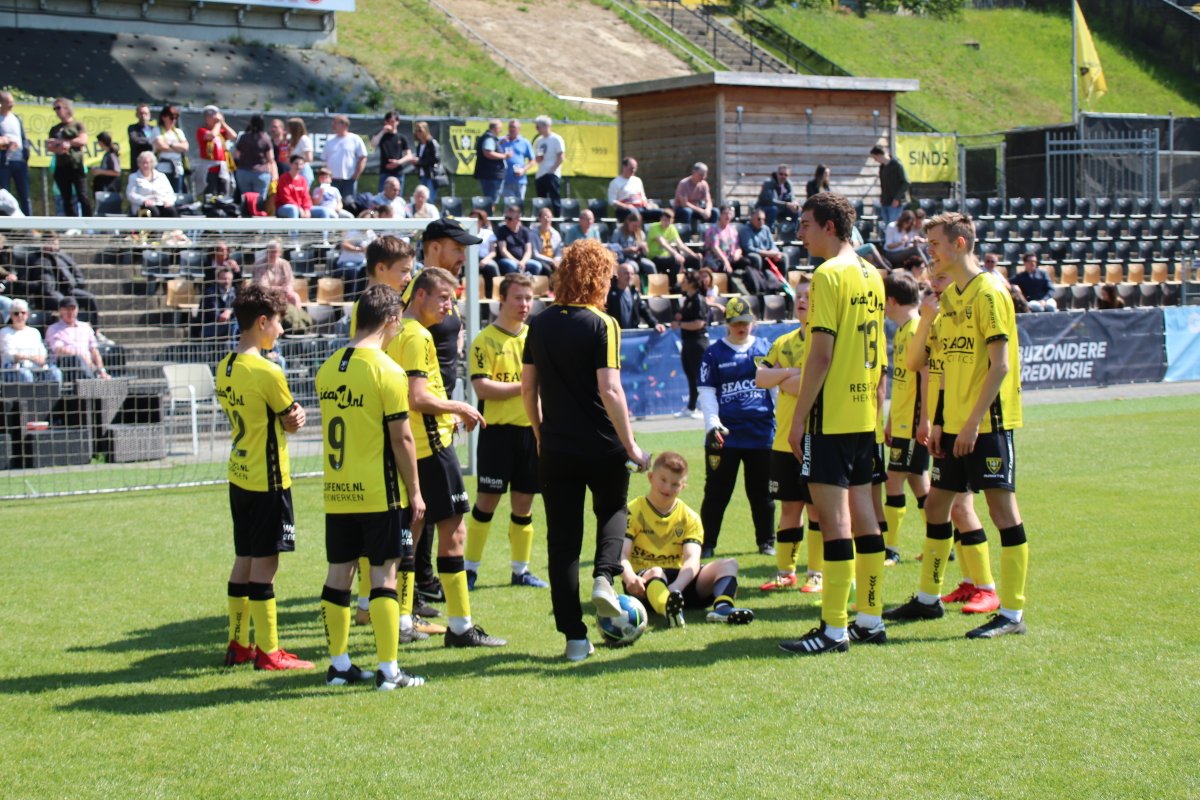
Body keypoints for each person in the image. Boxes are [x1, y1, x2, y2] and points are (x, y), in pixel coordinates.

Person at [883, 212, 1027, 639]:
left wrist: (972, 424)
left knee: (1002, 513)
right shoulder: (948, 302)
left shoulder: (988, 293)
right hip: (955, 426)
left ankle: (1012, 613)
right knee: (936, 505)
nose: (930, 254)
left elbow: (999, 367)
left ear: (960, 245)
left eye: (936, 247)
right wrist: (941, 422)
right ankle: (928, 598)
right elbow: (921, 365)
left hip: (988, 425)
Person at [522, 238, 650, 662]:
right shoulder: (602, 324)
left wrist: (541, 433)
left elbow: (528, 386)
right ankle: (603, 578)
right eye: (609, 278)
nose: (611, 287)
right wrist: (631, 445)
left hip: (556, 445)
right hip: (602, 442)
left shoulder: (538, 323)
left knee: (562, 543)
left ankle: (575, 639)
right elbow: (610, 388)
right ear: (598, 278)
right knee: (614, 511)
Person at [779, 191, 887, 656]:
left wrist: (799, 418)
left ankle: (833, 628)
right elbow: (880, 354)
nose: (800, 233)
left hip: (832, 416)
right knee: (866, 518)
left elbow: (820, 355)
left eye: (805, 224)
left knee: (835, 522)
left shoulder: (828, 275)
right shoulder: (872, 274)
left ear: (828, 226)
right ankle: (871, 617)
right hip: (863, 415)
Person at [316, 284, 426, 690]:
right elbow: (402, 439)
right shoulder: (387, 370)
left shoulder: (327, 368)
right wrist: (415, 491)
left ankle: (340, 664)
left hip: (337, 491)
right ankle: (388, 670)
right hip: (379, 493)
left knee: (338, 574)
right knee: (384, 575)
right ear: (391, 319)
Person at [388, 267, 504, 648]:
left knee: (411, 533)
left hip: (405, 446)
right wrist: (461, 407)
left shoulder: (392, 331)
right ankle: (460, 627)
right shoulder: (418, 335)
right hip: (432, 446)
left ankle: (403, 620)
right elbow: (417, 398)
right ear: (418, 295)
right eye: (443, 297)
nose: (448, 306)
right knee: (454, 532)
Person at [215, 284, 313, 672]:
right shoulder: (268, 371)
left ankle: (239, 643)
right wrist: (296, 418)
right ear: (262, 322)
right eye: (279, 323)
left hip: (239, 472)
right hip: (269, 479)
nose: (282, 331)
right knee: (266, 564)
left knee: (243, 557)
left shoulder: (224, 366)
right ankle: (270, 652)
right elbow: (290, 419)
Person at [905, 269, 1000, 614]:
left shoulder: (972, 311)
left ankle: (986, 587)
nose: (934, 285)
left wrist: (942, 420)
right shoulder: (939, 321)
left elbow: (984, 369)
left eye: (940, 279)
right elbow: (920, 367)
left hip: (971, 424)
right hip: (946, 423)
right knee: (940, 507)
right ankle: (963, 586)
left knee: (961, 507)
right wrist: (933, 420)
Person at [463, 273, 549, 591]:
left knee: (524, 504)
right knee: (487, 501)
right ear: (502, 299)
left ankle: (521, 571)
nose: (525, 304)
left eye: (529, 298)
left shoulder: (536, 336)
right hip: (496, 432)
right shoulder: (484, 340)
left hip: (530, 431)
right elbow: (483, 388)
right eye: (518, 298)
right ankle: (469, 569)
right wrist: (525, 385)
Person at [620, 452, 754, 627]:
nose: (668, 488)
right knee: (656, 571)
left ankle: (722, 609)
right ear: (651, 477)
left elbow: (692, 560)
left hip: (680, 585)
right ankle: (669, 610)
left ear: (683, 486)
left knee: (729, 564)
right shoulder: (633, 511)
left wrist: (677, 587)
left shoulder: (690, 517)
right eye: (663, 480)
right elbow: (621, 554)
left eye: (675, 483)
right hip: (643, 586)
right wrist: (629, 578)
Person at [755, 274, 823, 593]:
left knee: (816, 509)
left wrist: (783, 380)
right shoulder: (783, 342)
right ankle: (786, 572)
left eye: (809, 296)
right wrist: (789, 374)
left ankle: (817, 574)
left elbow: (811, 385)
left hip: (815, 438)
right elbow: (760, 377)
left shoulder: (825, 342)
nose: (802, 300)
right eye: (799, 295)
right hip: (782, 440)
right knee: (789, 508)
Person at [697, 296, 776, 557]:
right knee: (717, 493)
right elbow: (707, 392)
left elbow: (775, 388)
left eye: (745, 322)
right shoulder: (714, 352)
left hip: (761, 433)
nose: (741, 327)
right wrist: (713, 424)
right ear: (727, 323)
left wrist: (780, 420)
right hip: (725, 436)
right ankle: (707, 545)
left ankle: (766, 542)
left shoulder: (765, 348)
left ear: (752, 322)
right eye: (735, 323)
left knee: (762, 493)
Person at [881, 271, 930, 567]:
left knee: (893, 481)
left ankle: (891, 549)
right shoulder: (902, 331)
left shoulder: (915, 331)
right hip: (900, 421)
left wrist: (922, 421)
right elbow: (903, 381)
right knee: (918, 483)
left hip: (912, 424)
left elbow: (926, 378)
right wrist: (890, 420)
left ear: (891, 300)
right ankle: (942, 540)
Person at [33, 233, 100, 323]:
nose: (52, 245)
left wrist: (76, 284)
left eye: (55, 243)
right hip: (52, 293)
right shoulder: (39, 259)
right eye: (49, 242)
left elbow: (77, 273)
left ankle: (95, 330)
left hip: (69, 290)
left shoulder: (63, 256)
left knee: (90, 298)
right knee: (65, 302)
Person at [672, 271, 708, 420]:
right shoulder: (688, 299)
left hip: (697, 342)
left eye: (685, 280)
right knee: (690, 374)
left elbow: (699, 323)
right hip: (687, 341)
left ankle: (703, 407)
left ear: (692, 282)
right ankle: (691, 407)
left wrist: (680, 324)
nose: (682, 283)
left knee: (699, 376)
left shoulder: (699, 299)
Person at [47, 97, 92, 216]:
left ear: (67, 108)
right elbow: (50, 146)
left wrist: (67, 143)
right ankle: (72, 224)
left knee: (83, 195)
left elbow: (83, 140)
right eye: (54, 108)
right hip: (61, 166)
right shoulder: (55, 129)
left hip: (76, 165)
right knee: (66, 198)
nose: (56, 111)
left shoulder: (77, 125)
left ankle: (89, 223)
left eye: (58, 107)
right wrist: (58, 146)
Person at [46, 296, 109, 379]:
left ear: (77, 310)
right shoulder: (54, 329)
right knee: (76, 359)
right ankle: (92, 381)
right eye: (67, 309)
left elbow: (94, 351)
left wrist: (102, 370)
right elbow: (59, 350)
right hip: (65, 364)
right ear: (60, 311)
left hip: (88, 364)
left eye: (73, 309)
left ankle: (96, 377)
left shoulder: (85, 327)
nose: (70, 312)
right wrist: (81, 356)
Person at [1, 299, 62, 383]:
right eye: (16, 313)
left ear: (27, 314)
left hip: (36, 368)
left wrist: (39, 359)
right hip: (13, 370)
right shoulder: (4, 332)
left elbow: (42, 354)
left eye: (23, 313)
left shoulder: (34, 332)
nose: (20, 316)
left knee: (55, 373)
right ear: (11, 315)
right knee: (26, 375)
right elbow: (11, 355)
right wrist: (32, 357)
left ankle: (54, 396)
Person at [738, 209, 789, 292]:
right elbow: (749, 248)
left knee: (783, 257)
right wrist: (769, 254)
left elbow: (772, 245)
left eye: (763, 219)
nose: (761, 221)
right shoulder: (745, 229)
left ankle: (782, 284)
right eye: (759, 219)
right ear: (752, 218)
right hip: (754, 257)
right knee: (756, 257)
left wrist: (776, 253)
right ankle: (760, 286)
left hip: (768, 256)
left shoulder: (766, 229)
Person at [606, 261, 663, 332]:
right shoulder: (609, 293)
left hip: (631, 335)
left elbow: (644, 310)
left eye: (632, 274)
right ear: (618, 275)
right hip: (615, 333)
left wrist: (655, 324)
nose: (629, 276)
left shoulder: (634, 292)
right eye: (626, 273)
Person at [646, 207, 698, 286]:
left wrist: (694, 254)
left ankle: (696, 285)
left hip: (667, 257)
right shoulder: (654, 227)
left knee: (695, 259)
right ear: (661, 219)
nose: (666, 222)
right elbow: (663, 243)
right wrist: (676, 254)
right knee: (676, 260)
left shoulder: (672, 228)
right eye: (664, 220)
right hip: (655, 257)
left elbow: (680, 245)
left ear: (672, 220)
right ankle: (672, 285)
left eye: (668, 220)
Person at [0, 91, 32, 216]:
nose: (11, 104)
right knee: (4, 196)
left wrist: (25, 154)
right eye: (8, 102)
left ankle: (29, 226)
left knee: (24, 195)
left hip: (19, 162)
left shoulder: (16, 118)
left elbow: (23, 138)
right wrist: (5, 142)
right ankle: (5, 228)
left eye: (12, 101)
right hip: (4, 163)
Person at [322, 115, 368, 200]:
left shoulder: (355, 139)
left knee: (348, 203)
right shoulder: (329, 140)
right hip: (332, 180)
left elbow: (363, 157)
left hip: (349, 180)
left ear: (345, 125)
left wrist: (356, 175)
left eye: (336, 123)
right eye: (333, 123)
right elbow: (324, 160)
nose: (333, 125)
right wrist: (326, 176)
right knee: (332, 202)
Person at [196, 105, 237, 195]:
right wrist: (218, 123)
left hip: (221, 168)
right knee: (210, 193)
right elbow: (212, 135)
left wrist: (223, 123)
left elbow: (233, 136)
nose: (213, 118)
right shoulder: (202, 130)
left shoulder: (220, 132)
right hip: (209, 169)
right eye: (210, 116)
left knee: (223, 192)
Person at [234, 114, 276, 202]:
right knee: (260, 200)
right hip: (261, 173)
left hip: (243, 172)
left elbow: (237, 156)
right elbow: (271, 159)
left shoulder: (243, 138)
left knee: (246, 199)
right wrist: (273, 174)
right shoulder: (265, 139)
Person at [371, 111, 414, 192]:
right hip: (385, 172)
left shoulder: (402, 138)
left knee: (397, 196)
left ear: (397, 122)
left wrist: (398, 162)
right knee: (382, 195)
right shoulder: (381, 135)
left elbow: (409, 155)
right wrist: (383, 131)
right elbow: (373, 144)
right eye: (388, 121)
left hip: (398, 172)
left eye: (393, 121)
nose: (391, 124)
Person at [126, 151, 178, 217]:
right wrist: (144, 200)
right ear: (139, 164)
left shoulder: (161, 176)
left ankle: (174, 227)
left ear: (152, 163)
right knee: (153, 211)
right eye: (143, 163)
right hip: (143, 205)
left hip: (161, 203)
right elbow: (131, 194)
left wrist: (169, 201)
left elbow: (170, 193)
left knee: (171, 211)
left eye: (147, 163)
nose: (145, 165)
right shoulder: (133, 177)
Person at [607, 156, 659, 222]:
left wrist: (647, 204)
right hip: (625, 210)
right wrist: (625, 206)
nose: (633, 170)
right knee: (636, 213)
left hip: (641, 208)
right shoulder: (615, 182)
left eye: (635, 168)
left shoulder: (638, 180)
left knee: (660, 213)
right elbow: (611, 201)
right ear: (624, 167)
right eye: (631, 168)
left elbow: (643, 196)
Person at [610, 211, 655, 285]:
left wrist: (644, 248)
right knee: (634, 267)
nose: (636, 228)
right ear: (628, 222)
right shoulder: (618, 232)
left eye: (638, 226)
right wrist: (627, 250)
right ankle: (632, 289)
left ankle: (653, 288)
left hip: (638, 258)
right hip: (623, 258)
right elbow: (612, 250)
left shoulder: (640, 233)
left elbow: (646, 253)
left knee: (651, 266)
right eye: (634, 225)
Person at [870, 145, 910, 226]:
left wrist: (897, 198)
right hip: (885, 201)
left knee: (893, 225)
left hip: (895, 202)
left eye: (875, 158)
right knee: (887, 227)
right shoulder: (882, 167)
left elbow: (906, 182)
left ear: (879, 155)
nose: (875, 160)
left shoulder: (897, 164)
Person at [533, 115, 565, 216]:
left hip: (552, 174)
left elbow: (561, 156)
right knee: (542, 201)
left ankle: (556, 220)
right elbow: (539, 158)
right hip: (540, 174)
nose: (537, 129)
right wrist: (538, 158)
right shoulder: (539, 141)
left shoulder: (556, 139)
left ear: (546, 126)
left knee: (554, 199)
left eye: (538, 127)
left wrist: (553, 169)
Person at [152, 104, 189, 193]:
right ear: (164, 117)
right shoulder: (157, 130)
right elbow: (161, 146)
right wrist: (178, 147)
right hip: (162, 168)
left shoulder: (178, 132)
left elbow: (185, 147)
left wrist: (171, 144)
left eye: (176, 118)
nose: (174, 120)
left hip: (177, 168)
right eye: (171, 117)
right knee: (163, 193)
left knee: (177, 193)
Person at [496, 204, 538, 276]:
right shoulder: (502, 230)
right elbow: (503, 250)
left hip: (522, 261)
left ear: (518, 219)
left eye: (509, 218)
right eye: (506, 217)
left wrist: (522, 262)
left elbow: (528, 251)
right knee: (511, 265)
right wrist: (516, 262)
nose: (506, 220)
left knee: (537, 266)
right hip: (507, 260)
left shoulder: (525, 231)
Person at [474, 119, 507, 208]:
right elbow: (488, 153)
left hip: (490, 174)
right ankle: (489, 218)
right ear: (495, 128)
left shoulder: (490, 139)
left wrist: (499, 143)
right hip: (491, 175)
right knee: (491, 200)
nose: (501, 131)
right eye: (500, 128)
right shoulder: (489, 138)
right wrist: (504, 156)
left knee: (491, 199)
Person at [499, 118, 535, 202]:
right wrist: (500, 144)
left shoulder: (525, 142)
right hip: (505, 179)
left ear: (519, 129)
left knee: (519, 204)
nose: (512, 129)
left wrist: (523, 170)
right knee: (508, 204)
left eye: (514, 127)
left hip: (520, 180)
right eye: (510, 127)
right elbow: (492, 152)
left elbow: (532, 160)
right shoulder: (501, 140)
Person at [200, 265, 237, 342]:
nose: (226, 281)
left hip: (228, 326)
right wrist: (228, 313)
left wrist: (229, 311)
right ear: (217, 279)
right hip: (209, 327)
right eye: (224, 279)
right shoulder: (210, 293)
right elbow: (216, 316)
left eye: (229, 279)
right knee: (234, 326)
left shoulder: (234, 292)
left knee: (237, 326)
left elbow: (238, 312)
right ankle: (235, 352)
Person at [702, 204, 740, 274]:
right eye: (725, 214)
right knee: (725, 268)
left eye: (730, 214)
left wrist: (738, 253)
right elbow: (715, 247)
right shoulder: (713, 229)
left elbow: (737, 247)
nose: (728, 216)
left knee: (746, 263)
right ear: (720, 215)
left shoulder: (733, 230)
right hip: (716, 259)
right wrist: (726, 261)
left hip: (730, 258)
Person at [412, 121, 443, 203]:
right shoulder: (419, 145)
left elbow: (436, 158)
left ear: (425, 131)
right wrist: (415, 162)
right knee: (421, 199)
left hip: (431, 175)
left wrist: (420, 161)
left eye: (420, 130)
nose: (417, 133)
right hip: (423, 175)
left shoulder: (432, 143)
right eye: (416, 130)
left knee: (429, 200)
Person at [471, 209, 501, 297]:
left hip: (485, 259)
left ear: (481, 221)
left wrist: (485, 260)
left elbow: (493, 252)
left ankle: (492, 295)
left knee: (491, 268)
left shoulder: (488, 233)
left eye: (476, 219)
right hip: (470, 259)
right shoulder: (466, 233)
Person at [126, 103, 158, 172]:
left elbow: (159, 143)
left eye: (145, 113)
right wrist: (151, 141)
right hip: (137, 167)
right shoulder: (132, 128)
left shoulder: (154, 129)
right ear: (137, 115)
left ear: (149, 115)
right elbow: (135, 140)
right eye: (141, 113)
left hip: (152, 166)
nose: (143, 116)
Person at [531, 205, 562, 272]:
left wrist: (556, 260)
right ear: (539, 218)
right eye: (545, 217)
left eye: (549, 217)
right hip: (540, 260)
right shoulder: (532, 233)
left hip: (554, 261)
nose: (547, 219)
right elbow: (535, 254)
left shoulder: (556, 234)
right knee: (548, 270)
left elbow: (558, 253)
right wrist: (551, 261)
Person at [91, 132, 122, 196]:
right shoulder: (107, 154)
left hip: (110, 188)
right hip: (106, 186)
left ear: (102, 142)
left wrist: (100, 171)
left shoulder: (111, 155)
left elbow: (117, 172)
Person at [287, 117, 315, 185]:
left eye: (290, 127)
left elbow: (309, 158)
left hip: (303, 171)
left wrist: (297, 162)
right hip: (293, 171)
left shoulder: (304, 139)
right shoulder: (292, 139)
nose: (288, 129)